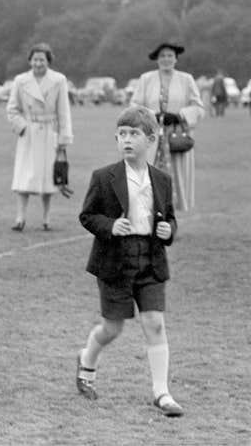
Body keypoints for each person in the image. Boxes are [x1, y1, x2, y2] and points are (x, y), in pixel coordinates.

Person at [76, 105, 183, 417]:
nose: (126, 140)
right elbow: (87, 215)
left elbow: (170, 220)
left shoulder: (162, 179)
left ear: (150, 139)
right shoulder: (104, 177)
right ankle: (87, 360)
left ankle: (161, 393)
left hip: (150, 259)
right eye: (121, 134)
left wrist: (168, 230)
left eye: (134, 134)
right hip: (114, 261)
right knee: (112, 328)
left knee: (154, 322)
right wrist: (110, 226)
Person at [6, 43, 73, 231]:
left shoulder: (59, 80)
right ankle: (20, 217)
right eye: (35, 59)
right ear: (29, 60)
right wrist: (22, 127)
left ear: (48, 61)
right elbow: (12, 109)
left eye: (42, 59)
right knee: (23, 177)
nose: (38, 63)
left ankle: (46, 218)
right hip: (29, 134)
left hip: (49, 133)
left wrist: (63, 137)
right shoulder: (20, 80)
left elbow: (63, 111)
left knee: (49, 178)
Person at [131, 42, 204, 212]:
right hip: (150, 136)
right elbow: (134, 104)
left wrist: (180, 115)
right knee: (148, 176)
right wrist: (151, 114)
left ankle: (170, 220)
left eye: (170, 55)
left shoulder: (186, 79)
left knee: (176, 178)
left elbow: (199, 108)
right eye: (162, 56)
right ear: (157, 59)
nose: (166, 59)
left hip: (176, 137)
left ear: (176, 59)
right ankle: (150, 218)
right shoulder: (146, 79)